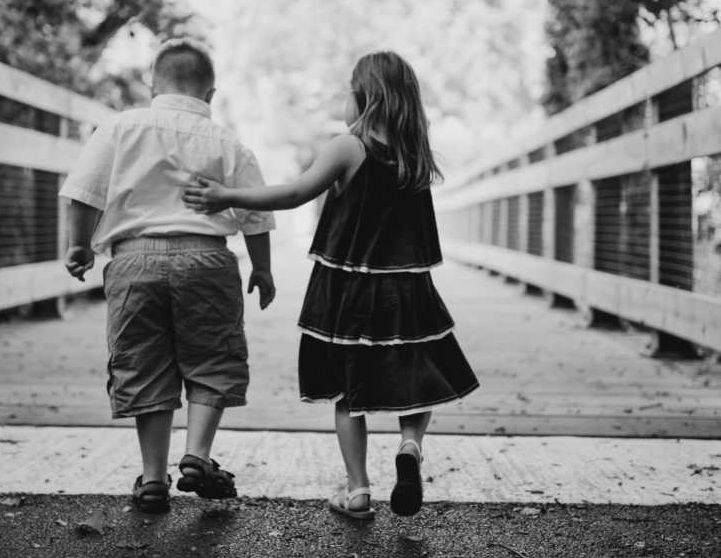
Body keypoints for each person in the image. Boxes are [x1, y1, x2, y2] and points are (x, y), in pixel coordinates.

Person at [184, 51, 478, 520]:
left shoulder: (349, 148)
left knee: (349, 393)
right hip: (407, 291)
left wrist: (227, 196)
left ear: (364, 97)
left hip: (350, 293)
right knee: (416, 381)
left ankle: (358, 489)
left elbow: (296, 193)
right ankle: (409, 445)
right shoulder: (415, 156)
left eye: (347, 89)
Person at [59, 38, 276, 513]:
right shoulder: (228, 142)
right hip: (207, 258)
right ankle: (196, 455)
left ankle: (153, 478)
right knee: (212, 357)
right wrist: (262, 268)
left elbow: (84, 191)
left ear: (151, 83)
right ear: (211, 94)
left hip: (134, 261)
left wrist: (79, 246)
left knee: (143, 362)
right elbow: (255, 213)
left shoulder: (120, 127)